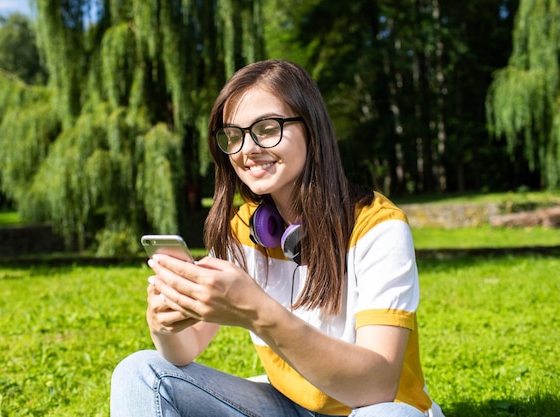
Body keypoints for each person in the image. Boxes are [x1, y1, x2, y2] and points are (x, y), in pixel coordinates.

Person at [110, 59, 444, 417]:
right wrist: (164, 325)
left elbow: (376, 386)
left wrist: (258, 311)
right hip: (286, 407)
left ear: (311, 130)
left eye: (267, 129)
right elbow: (184, 349)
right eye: (233, 136)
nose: (246, 150)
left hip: (372, 408)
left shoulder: (378, 227)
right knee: (141, 371)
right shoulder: (243, 229)